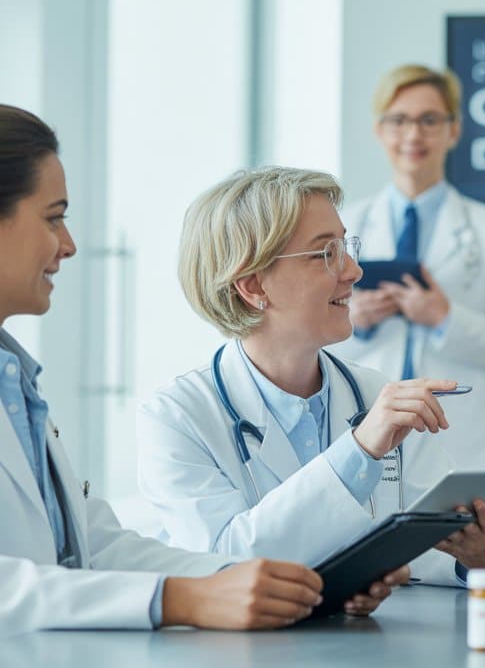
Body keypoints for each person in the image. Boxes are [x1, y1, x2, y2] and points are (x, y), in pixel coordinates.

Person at [0, 104, 361, 634]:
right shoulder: (174, 409)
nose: (70, 245)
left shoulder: (17, 383)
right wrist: (179, 601)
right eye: (53, 217)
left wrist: (279, 584)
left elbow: (91, 543)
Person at [137, 167, 485, 587]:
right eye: (326, 254)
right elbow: (224, 562)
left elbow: (421, 544)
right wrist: (358, 452)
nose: (354, 271)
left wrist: (479, 558)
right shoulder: (177, 417)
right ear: (252, 286)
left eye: (346, 247)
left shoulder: (374, 395)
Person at [330, 64, 485, 467]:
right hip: (365, 425)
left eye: (429, 120)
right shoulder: (346, 226)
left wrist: (445, 318)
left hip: (467, 435)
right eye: (399, 120)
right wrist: (357, 320)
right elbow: (311, 345)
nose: (413, 135)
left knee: (475, 530)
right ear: (380, 130)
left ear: (454, 130)